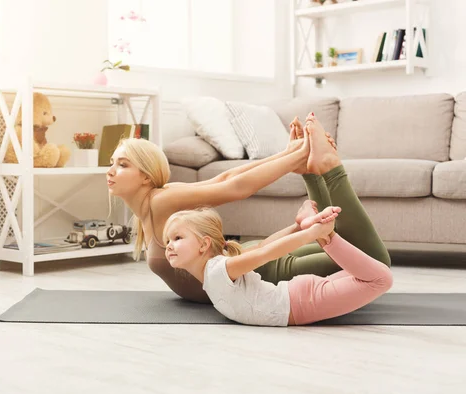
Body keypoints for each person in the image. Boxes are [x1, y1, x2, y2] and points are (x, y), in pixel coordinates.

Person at [106, 113, 390, 303]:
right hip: (250, 257)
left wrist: (294, 155)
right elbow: (225, 178)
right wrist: (290, 155)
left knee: (374, 261)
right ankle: (312, 171)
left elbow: (232, 186)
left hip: (259, 271)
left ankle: (327, 169)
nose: (111, 171)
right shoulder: (151, 206)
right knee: (360, 253)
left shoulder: (160, 200)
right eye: (112, 163)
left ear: (145, 175)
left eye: (122, 164)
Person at [161, 205, 393, 326]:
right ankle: (322, 233)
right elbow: (263, 245)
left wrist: (314, 232)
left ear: (203, 245)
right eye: (167, 241)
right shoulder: (216, 270)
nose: (169, 245)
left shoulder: (217, 270)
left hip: (303, 303)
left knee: (381, 279)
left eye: (177, 238)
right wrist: (298, 227)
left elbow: (265, 252)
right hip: (299, 297)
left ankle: (327, 236)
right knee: (371, 275)